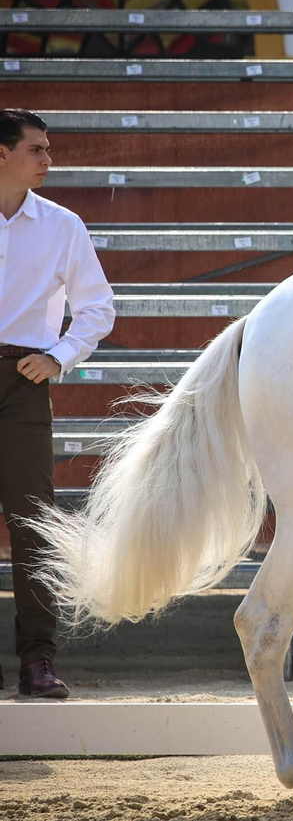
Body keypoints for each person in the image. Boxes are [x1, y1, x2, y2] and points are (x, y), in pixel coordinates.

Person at [0, 109, 115, 698]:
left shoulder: (63, 224)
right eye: (37, 149)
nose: (49, 159)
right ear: (2, 153)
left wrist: (60, 356)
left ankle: (37, 662)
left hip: (23, 380)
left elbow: (97, 307)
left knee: (32, 526)